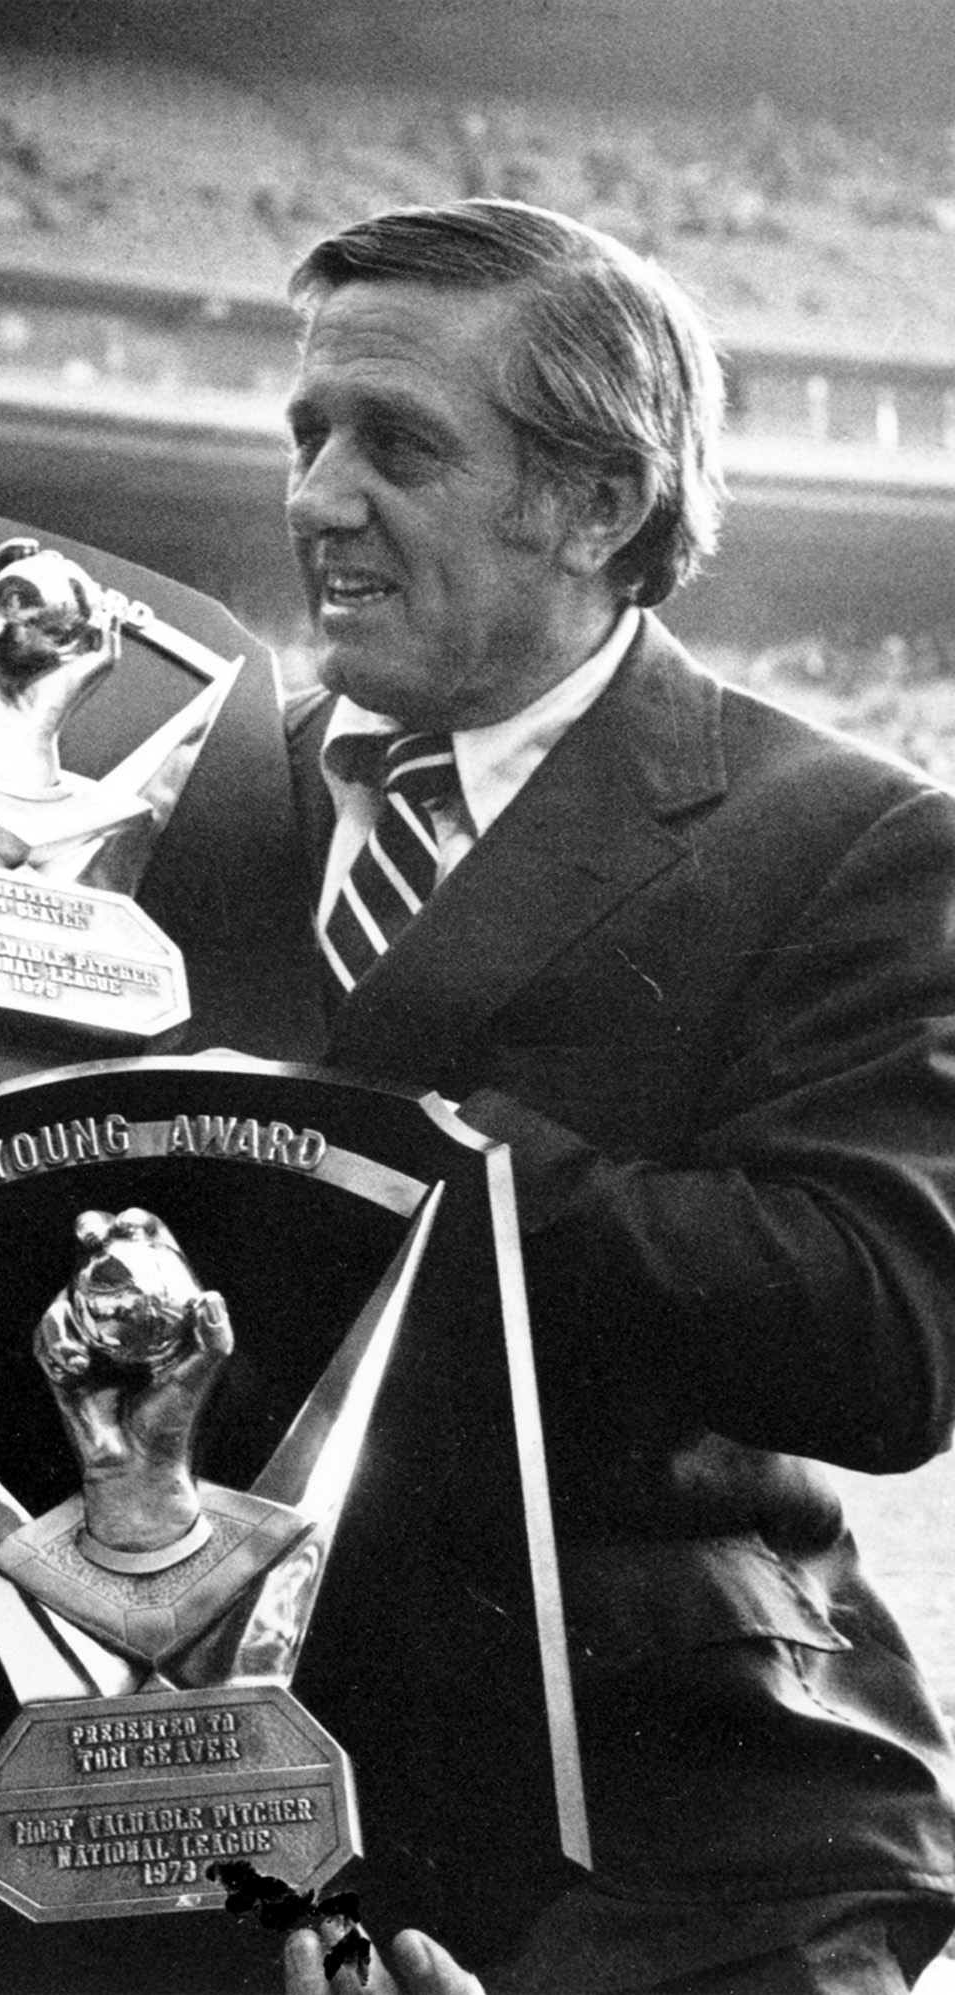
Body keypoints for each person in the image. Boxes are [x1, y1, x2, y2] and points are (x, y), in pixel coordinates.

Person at [269, 199, 955, 1993]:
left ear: (593, 501)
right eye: (310, 435)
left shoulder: (845, 833)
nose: (321, 497)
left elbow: (889, 1329)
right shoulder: (185, 791)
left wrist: (384, 1156)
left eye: (398, 445)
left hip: (697, 1861)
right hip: (253, 1841)